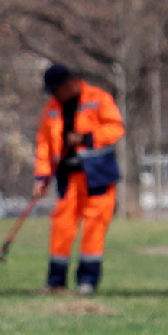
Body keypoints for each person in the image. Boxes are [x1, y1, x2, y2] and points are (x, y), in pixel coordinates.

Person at [32, 63, 125, 294]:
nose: (55, 95)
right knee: (61, 227)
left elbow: (116, 129)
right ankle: (56, 281)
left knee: (94, 228)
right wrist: (41, 176)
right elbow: (44, 143)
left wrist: (86, 138)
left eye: (57, 89)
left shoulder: (98, 98)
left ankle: (87, 282)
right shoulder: (51, 107)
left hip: (98, 174)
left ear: (70, 83)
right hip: (67, 176)